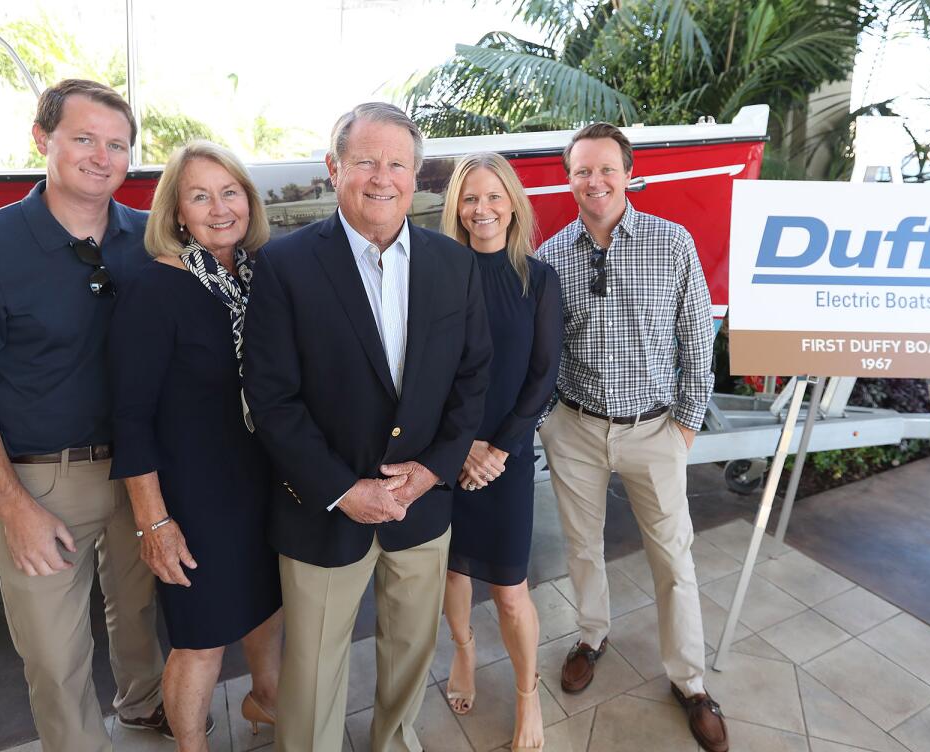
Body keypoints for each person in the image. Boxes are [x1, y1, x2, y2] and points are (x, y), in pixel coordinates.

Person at [0, 79, 165, 752]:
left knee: (142, 619)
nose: (102, 156)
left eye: (117, 144)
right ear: (43, 139)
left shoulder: (148, 240)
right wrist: (12, 505)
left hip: (141, 474)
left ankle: (145, 711)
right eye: (84, 138)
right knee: (56, 661)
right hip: (38, 482)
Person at [242, 102, 492, 752]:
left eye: (397, 164)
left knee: (412, 654)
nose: (382, 177)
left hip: (422, 506)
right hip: (323, 512)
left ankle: (394, 743)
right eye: (365, 161)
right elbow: (272, 399)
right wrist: (344, 488)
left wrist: (435, 467)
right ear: (334, 169)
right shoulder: (284, 266)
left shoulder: (453, 264)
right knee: (314, 673)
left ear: (416, 176)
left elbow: (472, 379)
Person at [535, 123, 729, 752]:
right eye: (581, 171)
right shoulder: (552, 256)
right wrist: (546, 419)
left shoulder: (671, 243)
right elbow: (542, 349)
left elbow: (697, 330)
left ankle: (691, 681)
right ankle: (592, 635)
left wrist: (689, 416)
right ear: (570, 179)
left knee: (673, 557)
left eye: (605, 169)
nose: (594, 182)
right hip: (576, 427)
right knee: (582, 546)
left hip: (654, 428)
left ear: (628, 173)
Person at [108, 141, 284, 750]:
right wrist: (153, 521)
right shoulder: (155, 288)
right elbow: (130, 418)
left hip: (264, 479)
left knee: (266, 608)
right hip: (195, 495)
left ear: (248, 200)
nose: (219, 208)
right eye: (200, 196)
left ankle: (268, 705)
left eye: (229, 192)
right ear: (177, 212)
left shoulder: (260, 275)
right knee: (201, 638)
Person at [438, 153, 561, 752]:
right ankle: (464, 656)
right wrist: (460, 449)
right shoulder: (438, 273)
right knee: (453, 569)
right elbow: (426, 372)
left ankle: (526, 694)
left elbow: (542, 377)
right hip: (450, 452)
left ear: (512, 202)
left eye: (493, 196)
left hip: (506, 456)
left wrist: (499, 450)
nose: (481, 209)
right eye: (469, 198)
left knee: (511, 590)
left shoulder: (539, 280)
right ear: (455, 209)